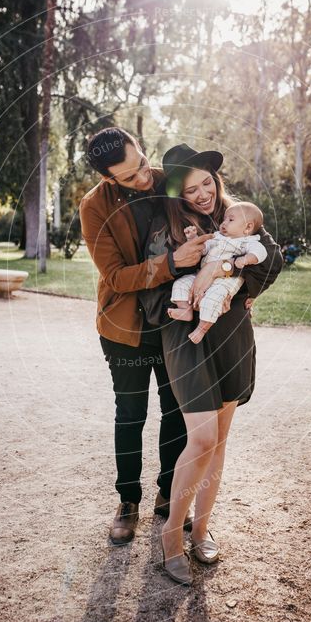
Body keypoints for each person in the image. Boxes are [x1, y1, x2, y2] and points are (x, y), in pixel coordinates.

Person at [140, 143, 283, 585]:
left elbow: (273, 258)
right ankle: (170, 534)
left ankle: (201, 528)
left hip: (232, 332)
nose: (202, 194)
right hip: (184, 335)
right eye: (191, 188)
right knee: (201, 439)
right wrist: (189, 274)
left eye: (207, 183)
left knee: (219, 442)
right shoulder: (163, 227)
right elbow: (151, 293)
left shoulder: (237, 215)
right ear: (176, 193)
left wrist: (223, 275)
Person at [79, 128, 212, 545]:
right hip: (124, 328)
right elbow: (116, 277)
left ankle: (166, 494)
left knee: (175, 411)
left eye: (141, 164)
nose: (143, 178)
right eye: (129, 176)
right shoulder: (94, 207)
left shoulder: (167, 180)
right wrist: (171, 263)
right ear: (107, 178)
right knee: (130, 413)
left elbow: (220, 218)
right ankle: (127, 500)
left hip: (173, 323)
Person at [168, 201, 267, 343]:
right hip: (201, 276)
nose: (224, 223)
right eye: (225, 219)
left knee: (213, 300)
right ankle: (185, 310)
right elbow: (203, 249)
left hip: (225, 282)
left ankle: (201, 329)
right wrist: (193, 239)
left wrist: (245, 259)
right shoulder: (217, 237)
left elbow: (260, 253)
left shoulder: (248, 242)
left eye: (231, 220)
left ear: (248, 227)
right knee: (181, 283)